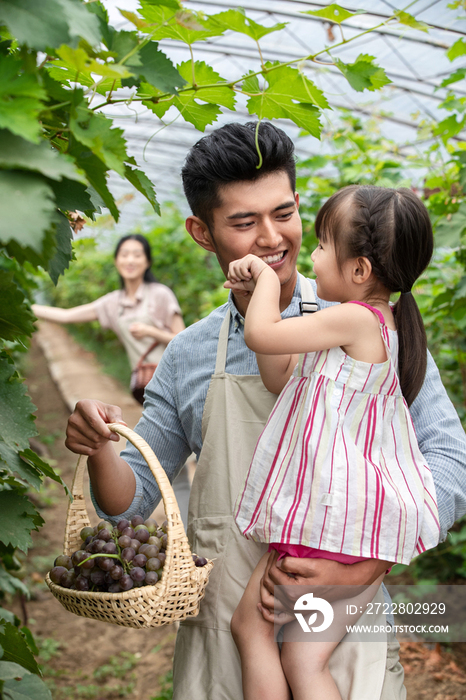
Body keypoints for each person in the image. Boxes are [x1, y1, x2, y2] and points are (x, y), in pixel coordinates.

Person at [63, 122, 466, 700]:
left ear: (302, 206)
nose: (272, 238)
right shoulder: (190, 354)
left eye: (284, 213)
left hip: (336, 625)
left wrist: (363, 566)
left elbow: (450, 463)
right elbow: (132, 502)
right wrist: (101, 444)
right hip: (228, 629)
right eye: (244, 222)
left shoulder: (366, 329)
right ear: (202, 232)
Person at [226, 185, 441, 700]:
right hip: (349, 537)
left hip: (322, 526)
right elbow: (281, 372)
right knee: (303, 658)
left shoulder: (353, 318)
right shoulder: (381, 326)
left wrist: (262, 285)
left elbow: (262, 336)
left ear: (361, 271)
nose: (314, 256)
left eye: (323, 246)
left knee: (251, 629)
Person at [32, 233, 190, 525]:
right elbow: (66, 316)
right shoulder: (113, 303)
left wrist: (152, 332)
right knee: (158, 456)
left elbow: (184, 339)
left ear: (146, 261)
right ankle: (179, 525)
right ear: (117, 261)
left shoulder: (160, 295)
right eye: (124, 254)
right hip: (143, 388)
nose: (130, 260)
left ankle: (184, 527)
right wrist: (23, 308)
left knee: (175, 456)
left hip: (175, 385)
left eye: (137, 254)